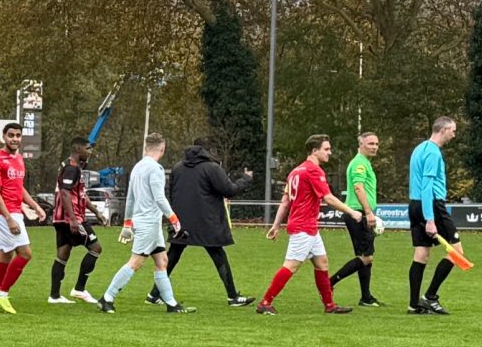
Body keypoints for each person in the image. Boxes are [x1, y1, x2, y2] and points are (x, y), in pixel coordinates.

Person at [257, 134, 364, 315]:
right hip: (303, 227)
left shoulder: (295, 172)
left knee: (322, 263)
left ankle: (330, 305)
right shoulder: (314, 171)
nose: (330, 153)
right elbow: (328, 198)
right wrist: (352, 212)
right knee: (291, 265)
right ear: (315, 151)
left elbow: (285, 202)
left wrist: (276, 225)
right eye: (326, 149)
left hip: (308, 227)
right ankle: (265, 302)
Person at [98, 134, 191, 313]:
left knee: (162, 260)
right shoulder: (155, 169)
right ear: (162, 149)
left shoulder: (137, 168)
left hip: (149, 224)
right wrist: (174, 219)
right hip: (148, 223)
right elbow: (159, 198)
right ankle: (107, 298)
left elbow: (131, 198)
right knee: (136, 262)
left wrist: (127, 223)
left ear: (146, 148)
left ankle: (171, 304)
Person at [162, 139, 253, 306]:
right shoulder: (212, 168)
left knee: (173, 254)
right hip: (206, 220)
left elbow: (171, 193)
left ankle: (155, 294)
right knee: (218, 254)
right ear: (207, 149)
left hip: (181, 221)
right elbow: (229, 190)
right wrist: (245, 179)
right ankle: (232, 296)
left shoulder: (177, 168)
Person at [0, 120, 47, 314]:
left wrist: (35, 206)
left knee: (5, 255)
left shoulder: (18, 159)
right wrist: (9, 218)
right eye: (11, 135)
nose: (15, 139)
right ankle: (2, 293)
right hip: (5, 214)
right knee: (25, 253)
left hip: (15, 211)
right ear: (4, 136)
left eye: (18, 136)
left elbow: (19, 187)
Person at [407, 115, 465, 316]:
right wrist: (430, 219)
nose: (453, 135)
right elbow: (427, 185)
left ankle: (414, 304)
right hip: (431, 204)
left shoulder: (419, 149)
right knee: (457, 252)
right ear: (443, 130)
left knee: (421, 254)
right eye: (453, 130)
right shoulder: (433, 153)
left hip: (414, 204)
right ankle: (430, 297)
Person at [329, 130, 385, 307]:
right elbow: (359, 187)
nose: (374, 147)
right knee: (366, 258)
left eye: (376, 144)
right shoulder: (359, 163)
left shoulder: (364, 163)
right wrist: (369, 213)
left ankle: (366, 297)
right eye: (370, 144)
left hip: (361, 213)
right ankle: (329, 283)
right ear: (360, 145)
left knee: (366, 257)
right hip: (358, 214)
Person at [47, 141, 105, 305]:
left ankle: (55, 295)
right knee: (96, 248)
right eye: (87, 149)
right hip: (71, 218)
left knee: (63, 254)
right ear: (78, 149)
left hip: (60, 218)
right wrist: (73, 219)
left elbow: (81, 194)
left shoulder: (67, 164)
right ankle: (79, 289)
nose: (90, 152)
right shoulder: (72, 168)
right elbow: (65, 194)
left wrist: (96, 212)